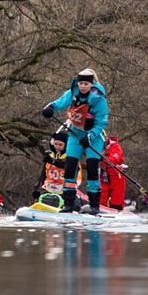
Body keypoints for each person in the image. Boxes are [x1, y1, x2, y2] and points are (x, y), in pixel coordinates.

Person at [41, 68, 109, 214]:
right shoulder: (73, 93)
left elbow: (101, 122)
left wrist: (89, 136)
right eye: (81, 83)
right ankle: (69, 204)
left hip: (94, 137)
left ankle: (94, 206)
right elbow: (60, 102)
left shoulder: (99, 99)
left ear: (91, 84)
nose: (83, 86)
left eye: (86, 83)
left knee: (92, 169)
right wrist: (50, 107)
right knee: (70, 168)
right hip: (75, 135)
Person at [32, 132, 83, 208]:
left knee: (75, 204)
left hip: (66, 189)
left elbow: (66, 165)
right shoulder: (50, 156)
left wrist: (53, 161)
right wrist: (36, 188)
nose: (57, 147)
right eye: (55, 144)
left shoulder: (72, 157)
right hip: (48, 189)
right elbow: (43, 176)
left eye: (60, 145)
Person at [99, 135, 126, 211]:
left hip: (116, 175)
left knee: (117, 199)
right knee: (101, 197)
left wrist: (103, 159)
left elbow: (115, 158)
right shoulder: (95, 146)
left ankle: (117, 210)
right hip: (103, 176)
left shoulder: (114, 146)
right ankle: (100, 208)